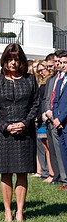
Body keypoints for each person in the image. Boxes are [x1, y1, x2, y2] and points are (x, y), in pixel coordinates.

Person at [0, 43, 39, 222]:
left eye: (16, 59)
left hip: (25, 133)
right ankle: (8, 211)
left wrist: (24, 123)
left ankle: (20, 211)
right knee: (6, 172)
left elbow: (35, 104)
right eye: (10, 59)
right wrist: (5, 126)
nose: (13, 63)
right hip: (4, 134)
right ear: (4, 60)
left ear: (21, 61)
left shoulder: (30, 80)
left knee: (23, 172)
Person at [42, 50, 67, 189]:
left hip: (60, 119)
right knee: (54, 149)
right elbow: (49, 98)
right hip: (51, 118)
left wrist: (58, 117)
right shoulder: (53, 79)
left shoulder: (62, 78)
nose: (59, 65)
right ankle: (58, 176)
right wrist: (47, 111)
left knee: (61, 149)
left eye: (62, 62)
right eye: (58, 62)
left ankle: (64, 178)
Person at [53, 51, 67, 190]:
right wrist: (56, 117)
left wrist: (61, 118)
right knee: (63, 152)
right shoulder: (61, 80)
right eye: (61, 63)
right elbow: (55, 100)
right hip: (59, 123)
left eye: (65, 63)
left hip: (65, 122)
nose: (62, 65)